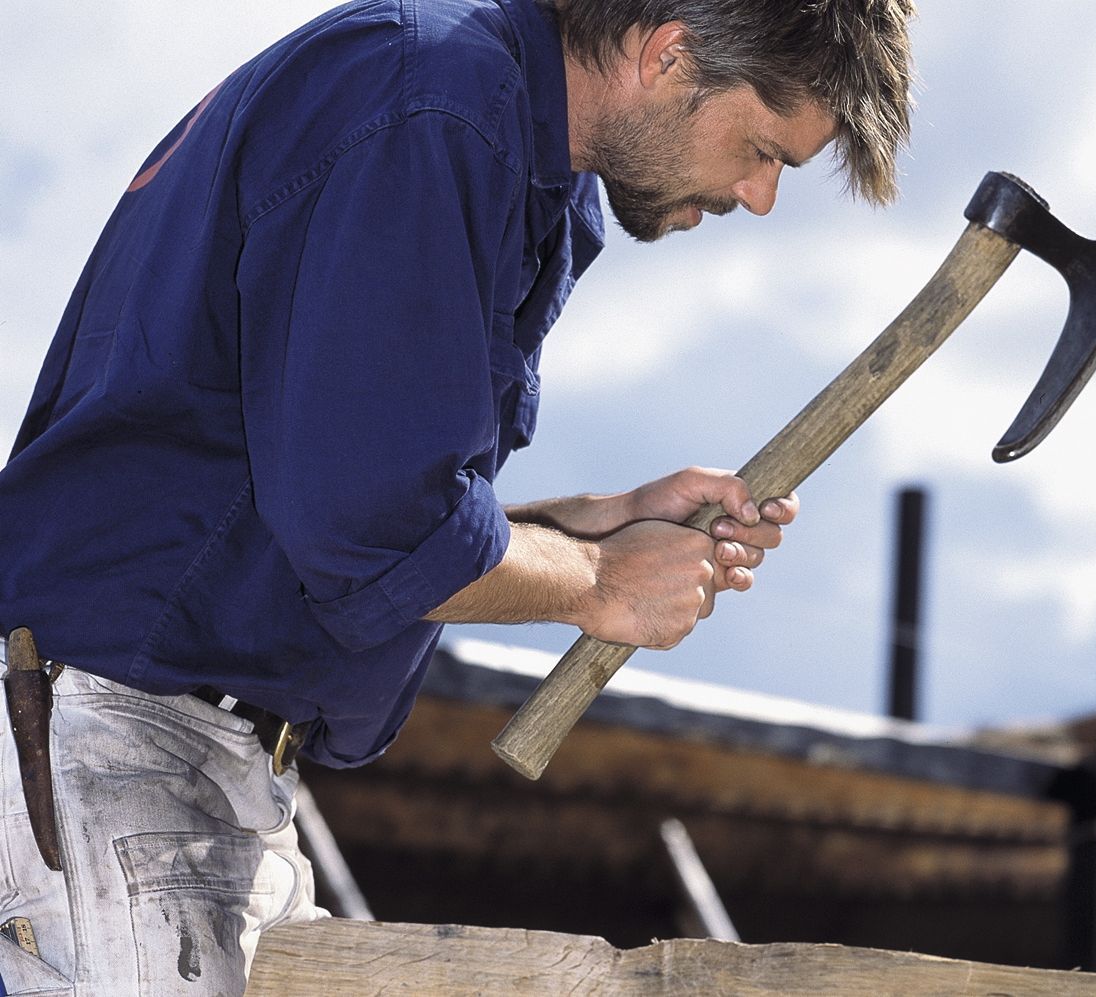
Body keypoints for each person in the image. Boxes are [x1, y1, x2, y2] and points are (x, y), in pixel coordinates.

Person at [0, 0, 914, 991]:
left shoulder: (478, 123)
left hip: (182, 752)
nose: (761, 195)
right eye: (761, 149)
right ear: (669, 55)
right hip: (120, 735)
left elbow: (334, 494)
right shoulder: (434, 106)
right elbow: (372, 530)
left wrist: (584, 525)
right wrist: (599, 580)